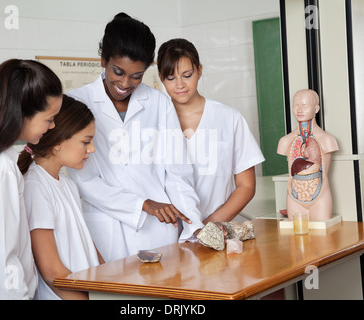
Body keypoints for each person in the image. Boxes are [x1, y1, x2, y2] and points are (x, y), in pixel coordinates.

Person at [67, 13, 204, 262]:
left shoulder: (159, 103)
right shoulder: (77, 102)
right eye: (118, 71)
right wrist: (142, 204)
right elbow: (84, 181)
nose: (125, 83)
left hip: (160, 229)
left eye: (137, 76)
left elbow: (178, 173)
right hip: (105, 229)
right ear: (103, 61)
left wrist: (194, 224)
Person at [0, 59, 62, 299]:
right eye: (48, 119)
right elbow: (0, 268)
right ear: (21, 113)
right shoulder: (0, 171)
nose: (52, 126)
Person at [157, 38, 265, 224]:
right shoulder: (154, 121)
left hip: (216, 228)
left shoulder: (229, 118)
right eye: (171, 78)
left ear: (199, 71)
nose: (180, 84)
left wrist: (209, 226)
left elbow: (246, 185)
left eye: (187, 75)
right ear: (161, 78)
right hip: (166, 232)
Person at [18, 95, 103, 300]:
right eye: (86, 141)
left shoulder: (68, 185)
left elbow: (88, 246)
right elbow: (51, 271)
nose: (91, 149)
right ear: (57, 141)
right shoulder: (35, 186)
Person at [277, 89, 339, 221]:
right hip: (294, 196)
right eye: (295, 106)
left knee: (323, 238)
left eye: (304, 106)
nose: (299, 110)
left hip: (320, 195)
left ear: (316, 108)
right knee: (297, 239)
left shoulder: (327, 140)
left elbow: (324, 175)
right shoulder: (285, 141)